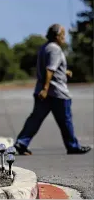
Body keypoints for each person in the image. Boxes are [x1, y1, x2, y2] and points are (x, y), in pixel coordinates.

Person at [14, 24, 91, 155]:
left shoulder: (45, 47)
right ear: (57, 36)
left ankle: (21, 143)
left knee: (35, 119)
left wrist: (64, 72)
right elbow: (49, 69)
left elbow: (52, 68)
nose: (64, 38)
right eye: (62, 35)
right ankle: (72, 146)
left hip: (44, 91)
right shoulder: (55, 49)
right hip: (56, 92)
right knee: (65, 121)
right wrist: (45, 89)